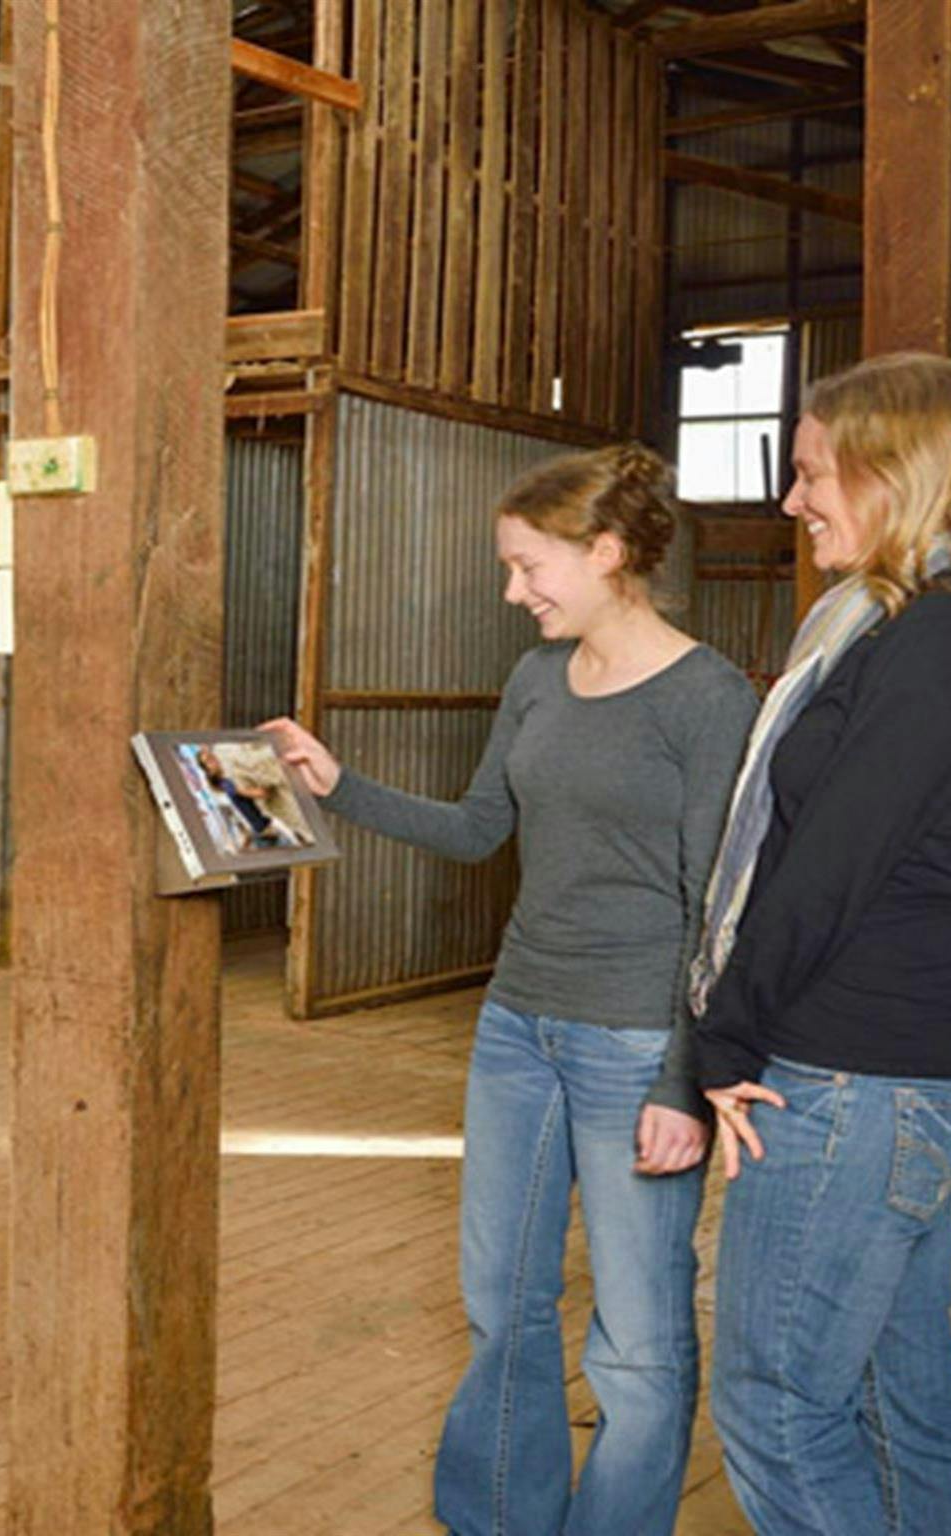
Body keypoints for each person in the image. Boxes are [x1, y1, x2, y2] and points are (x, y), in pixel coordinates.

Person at [263, 443, 759, 1536]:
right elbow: (479, 827)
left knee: (634, 1341)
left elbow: (713, 912)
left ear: (607, 553)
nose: (512, 590)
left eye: (528, 566)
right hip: (516, 1029)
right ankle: (495, 1515)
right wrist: (335, 785)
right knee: (500, 1306)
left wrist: (684, 1081)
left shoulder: (707, 699)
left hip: (634, 1043)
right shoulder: (537, 678)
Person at [689, 352, 951, 1536]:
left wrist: (719, 1036)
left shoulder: (946, 638)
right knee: (890, 1388)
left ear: (898, 474)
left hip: (857, 1071)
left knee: (770, 1402)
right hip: (902, 1065)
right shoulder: (944, 625)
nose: (791, 500)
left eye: (811, 474)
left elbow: (825, 869)